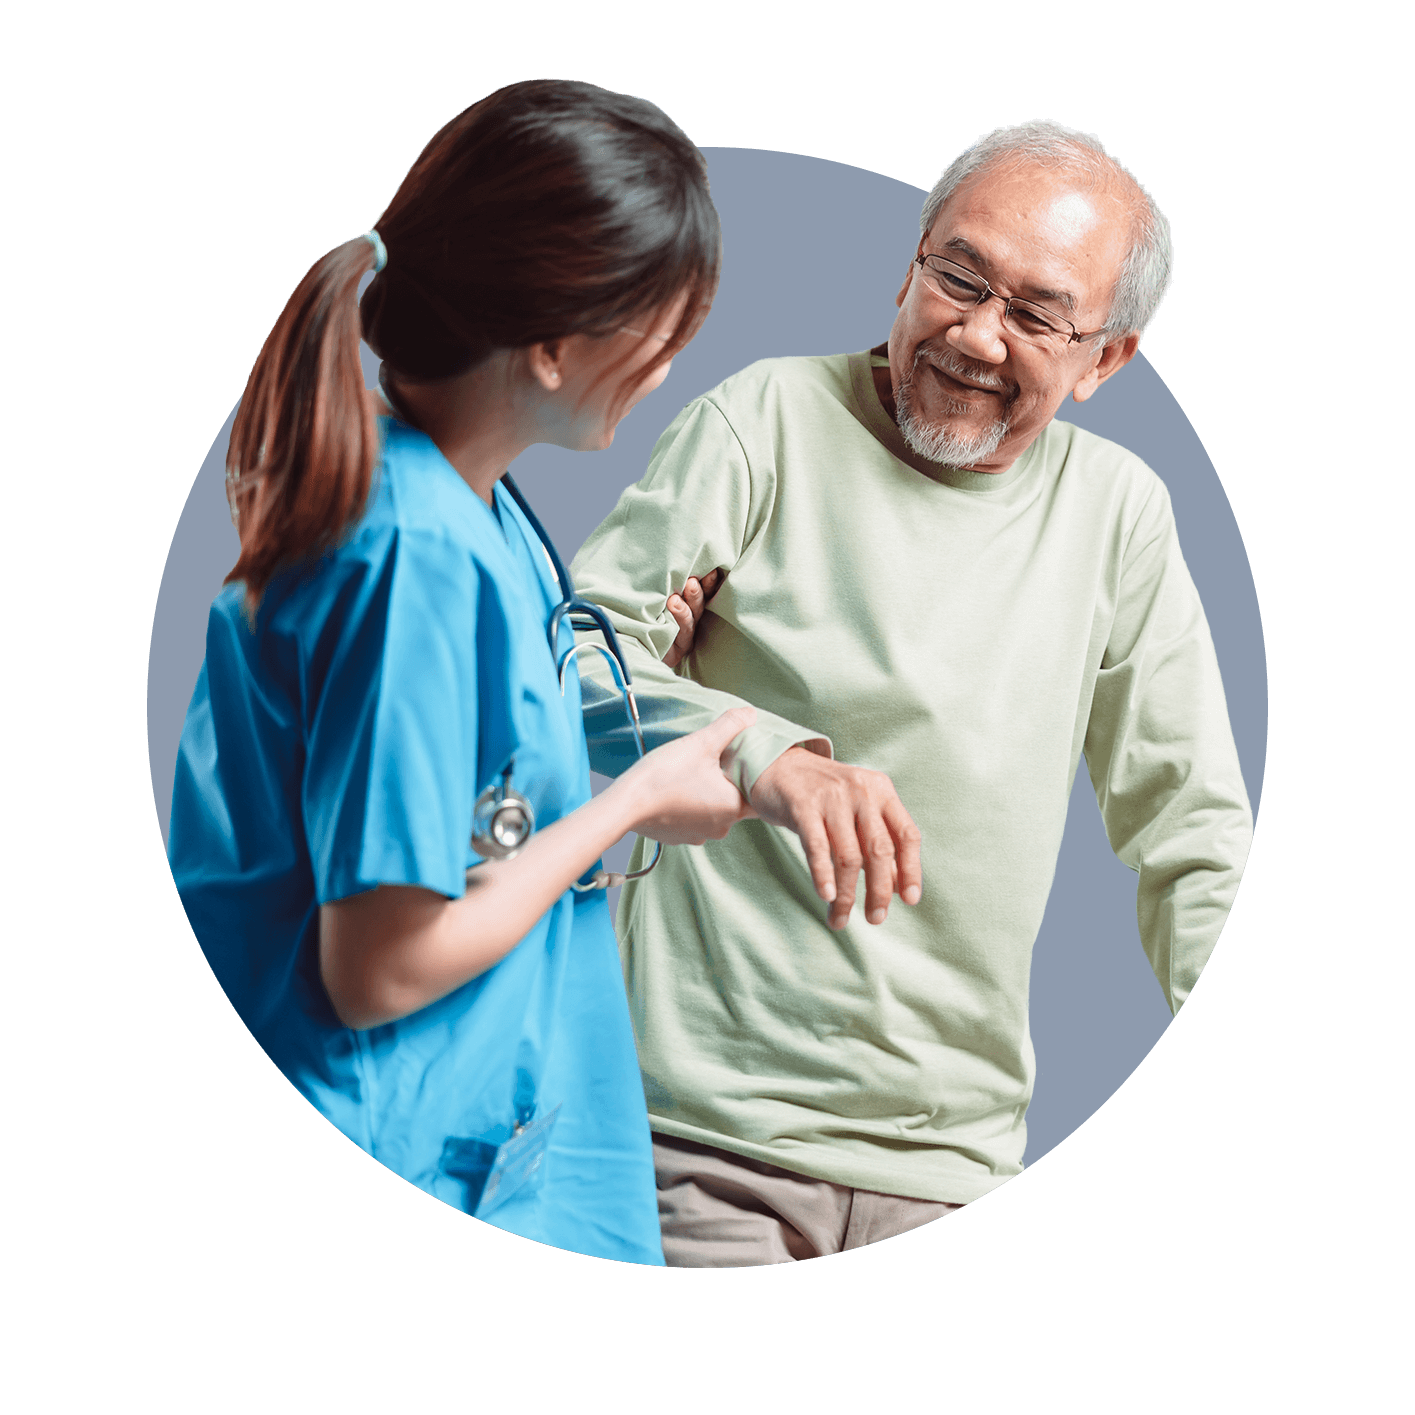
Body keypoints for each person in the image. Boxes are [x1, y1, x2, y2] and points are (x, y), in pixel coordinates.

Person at [568, 120, 1254, 1265]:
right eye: (956, 277)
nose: (975, 335)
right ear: (907, 263)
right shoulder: (764, 421)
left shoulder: (1120, 517)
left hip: (960, 1163)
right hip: (697, 1132)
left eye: (1036, 315)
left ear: (1104, 359)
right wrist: (764, 757)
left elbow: (1191, 834)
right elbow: (569, 656)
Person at [166, 80, 761, 1265]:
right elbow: (378, 969)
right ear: (552, 345)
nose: (668, 372)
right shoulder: (413, 556)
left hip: (496, 1127)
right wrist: (634, 803)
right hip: (395, 1124)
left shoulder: (470, 507)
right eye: (665, 336)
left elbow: (485, 756)